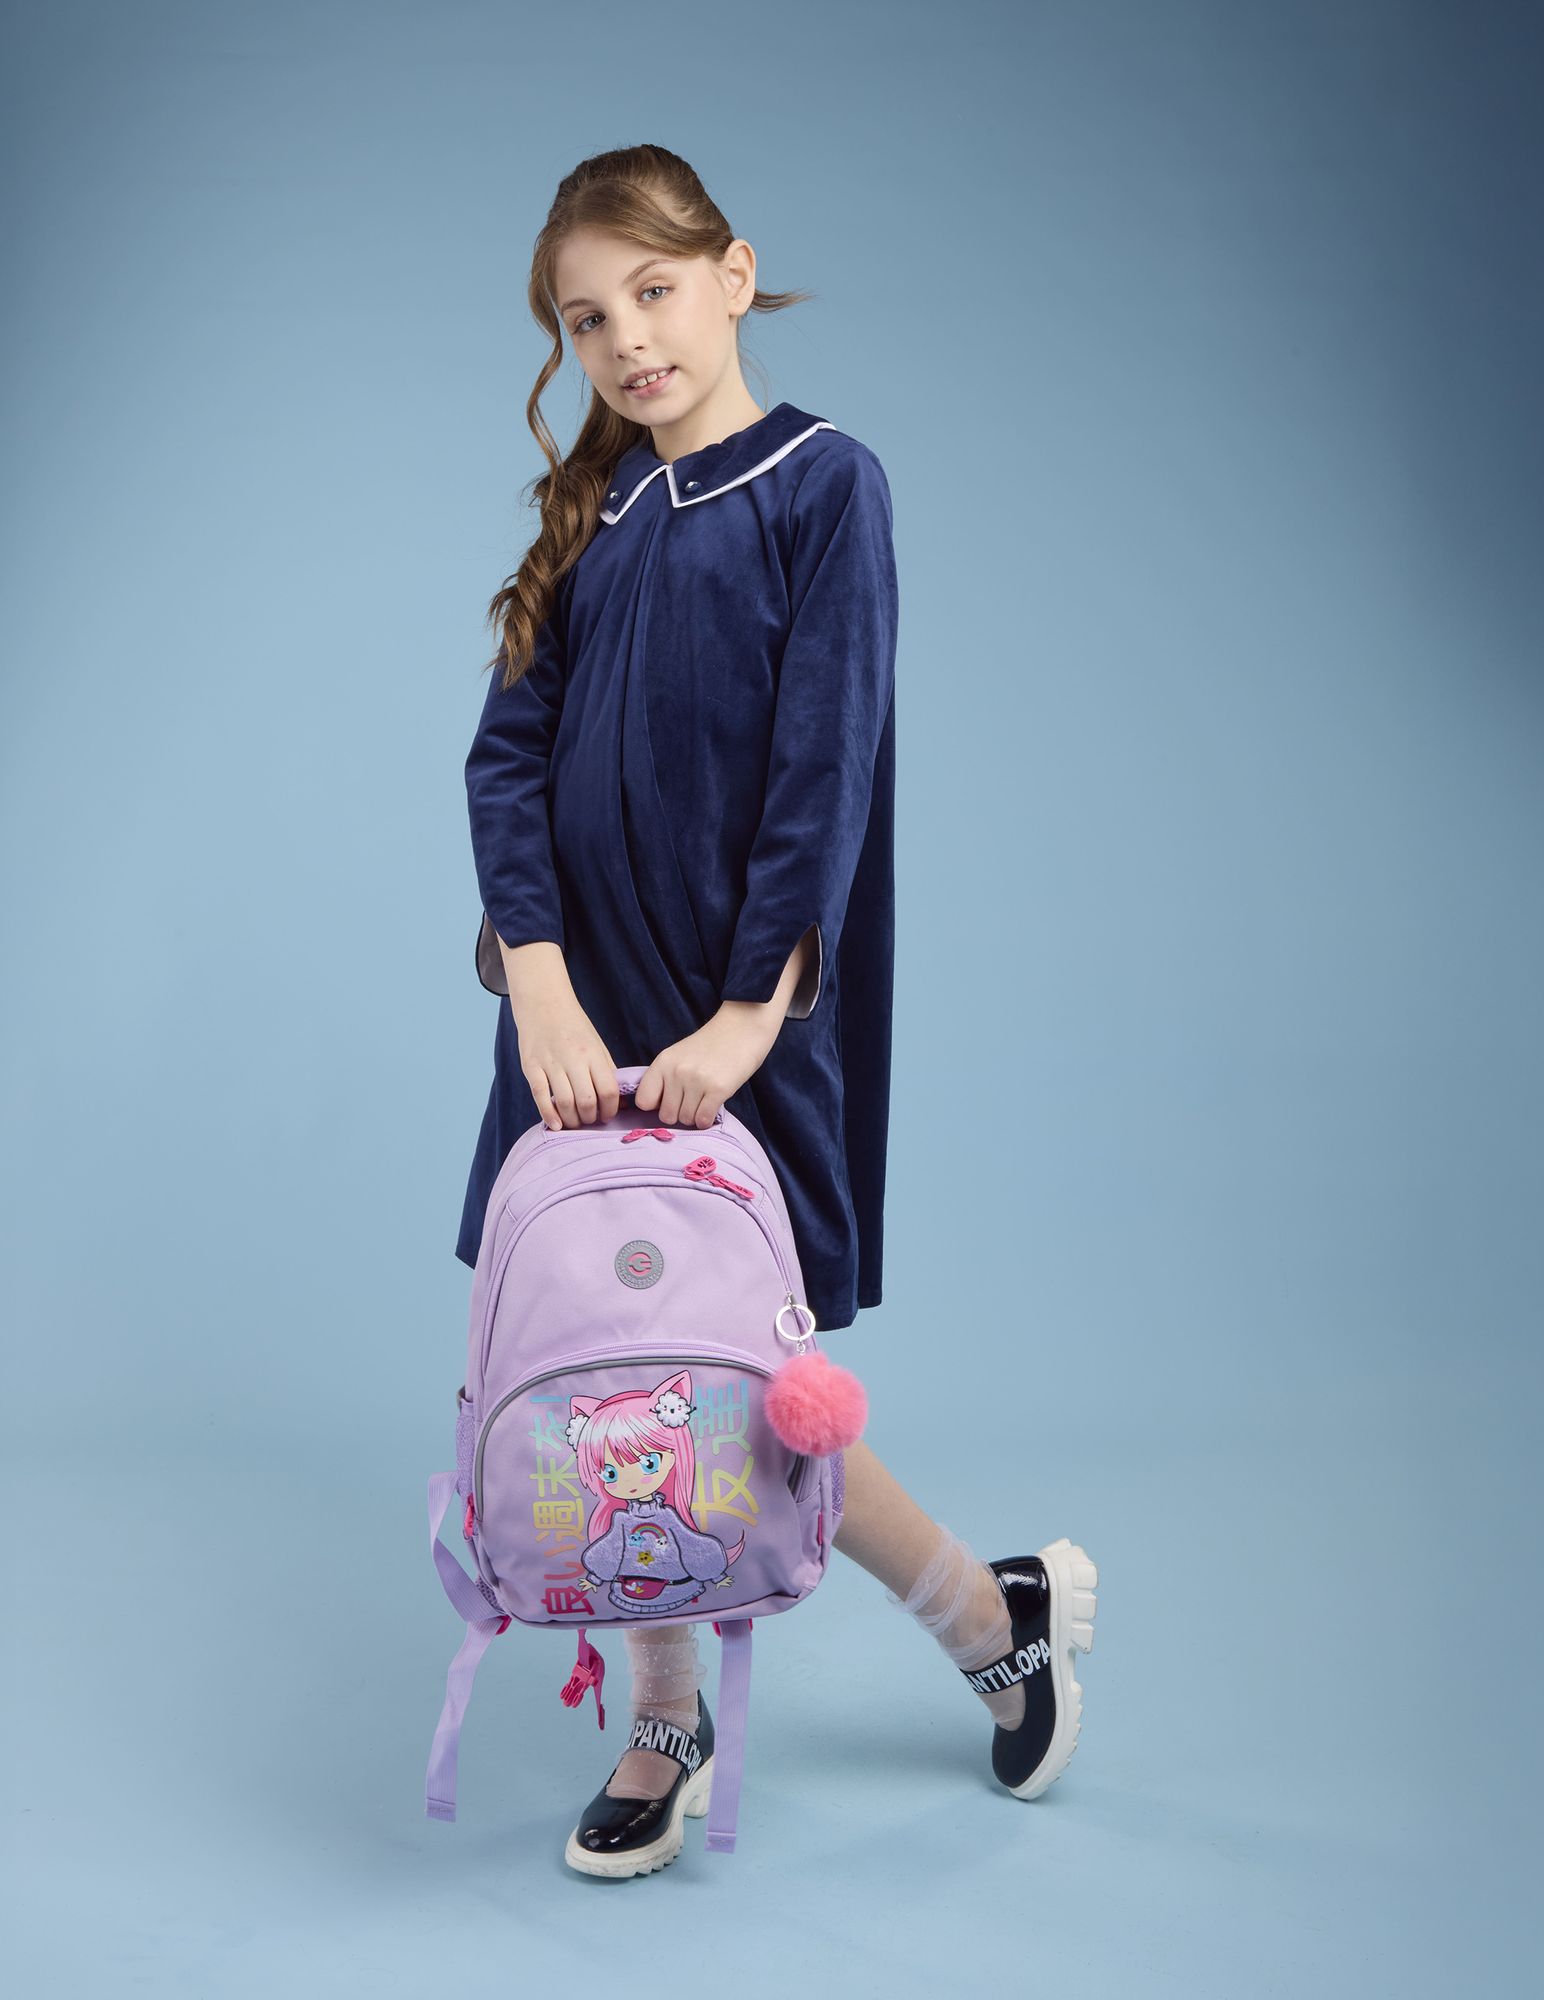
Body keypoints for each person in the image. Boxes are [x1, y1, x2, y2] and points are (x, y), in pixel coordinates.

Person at [455, 143, 1099, 1878]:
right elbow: (505, 764)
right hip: (579, 1026)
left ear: (732, 275)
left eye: (652, 293)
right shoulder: (593, 521)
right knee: (611, 1375)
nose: (626, 341)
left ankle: (991, 1621)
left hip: (734, 1019)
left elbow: (825, 772)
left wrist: (749, 1019)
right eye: (586, 321)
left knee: (742, 1383)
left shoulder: (825, 486)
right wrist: (537, 990)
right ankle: (666, 1715)